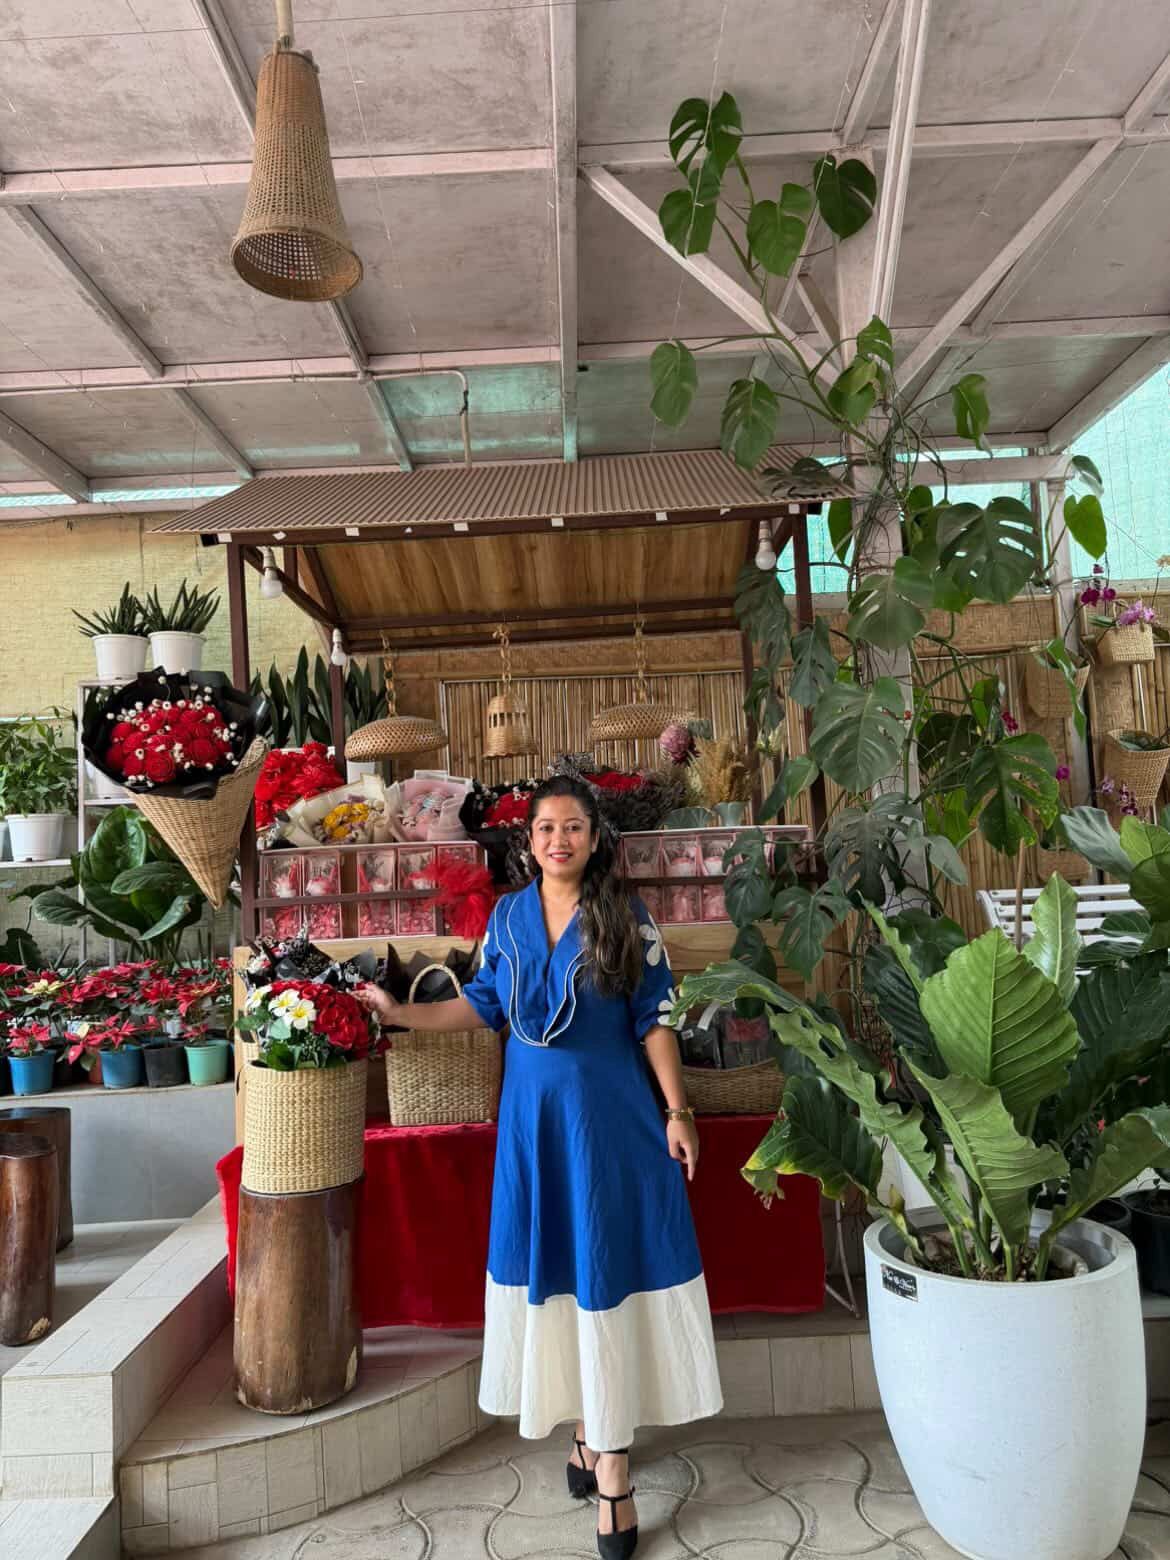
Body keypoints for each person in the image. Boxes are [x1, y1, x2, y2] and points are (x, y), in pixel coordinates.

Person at [357, 775, 723, 1559]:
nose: (560, 839)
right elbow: (483, 1004)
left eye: (574, 826)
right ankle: (591, 1424)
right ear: (528, 840)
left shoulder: (625, 917)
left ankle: (614, 1466)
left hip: (609, 1118)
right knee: (560, 1265)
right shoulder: (509, 918)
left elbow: (655, 1019)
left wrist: (678, 1112)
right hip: (531, 1121)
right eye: (547, 827)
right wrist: (401, 1014)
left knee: (607, 1264)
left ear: (594, 839)